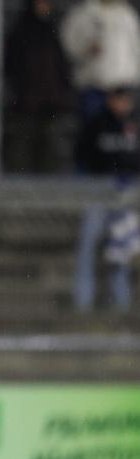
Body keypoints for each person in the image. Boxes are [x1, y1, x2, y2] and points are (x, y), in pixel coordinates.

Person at [74, 88, 139, 313]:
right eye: (118, 99)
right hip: (99, 191)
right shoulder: (97, 123)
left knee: (121, 248)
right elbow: (82, 154)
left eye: (126, 99)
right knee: (89, 244)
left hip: (126, 193)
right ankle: (83, 301)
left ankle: (121, 303)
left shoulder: (134, 123)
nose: (122, 104)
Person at [3, 0, 70, 174]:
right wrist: (22, 90)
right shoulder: (20, 31)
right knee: (23, 144)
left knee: (50, 145)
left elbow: (60, 65)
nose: (45, 7)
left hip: (51, 99)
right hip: (27, 99)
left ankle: (49, 184)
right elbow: (12, 65)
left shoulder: (51, 30)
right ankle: (19, 184)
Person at [61, 0, 140, 131]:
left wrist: (133, 82)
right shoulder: (83, 14)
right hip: (93, 87)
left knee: (122, 138)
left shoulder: (126, 14)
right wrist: (85, 48)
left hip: (123, 86)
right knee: (93, 133)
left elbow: (136, 48)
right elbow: (68, 44)